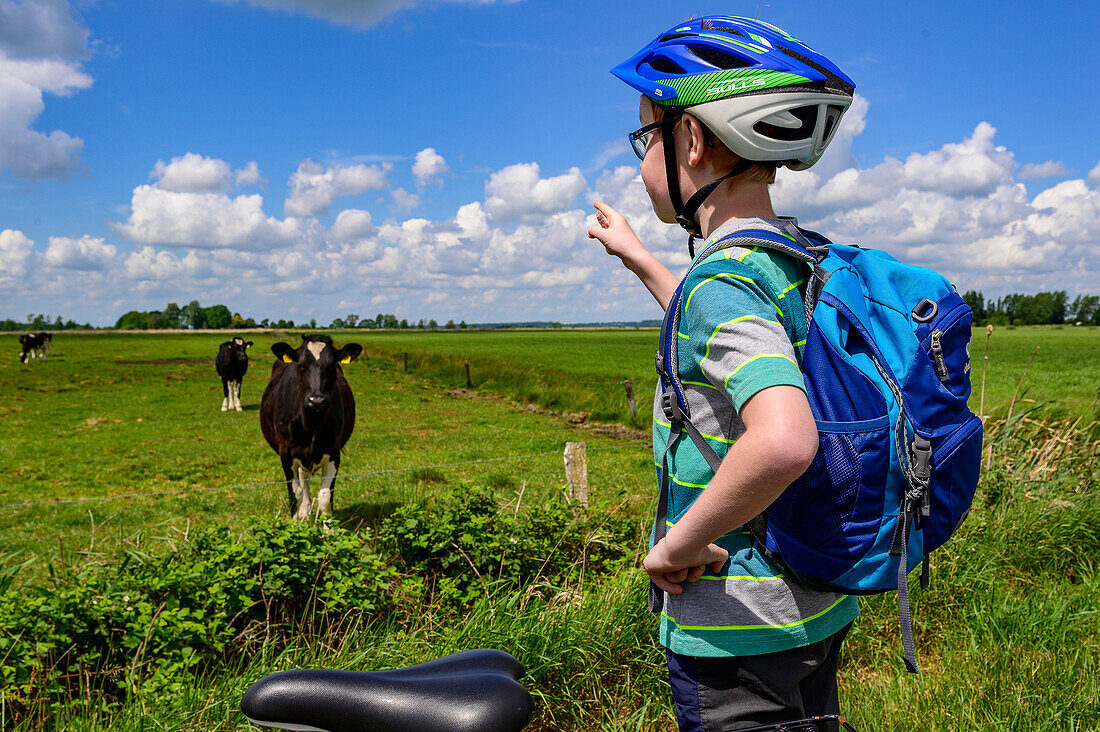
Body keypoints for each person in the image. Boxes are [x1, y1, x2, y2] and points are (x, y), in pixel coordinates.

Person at [588, 16, 860, 731]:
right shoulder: (794, 255)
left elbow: (784, 440)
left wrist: (676, 545)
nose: (642, 158)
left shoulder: (721, 285)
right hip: (815, 597)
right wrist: (644, 260)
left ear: (694, 140)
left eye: (647, 137)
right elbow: (724, 334)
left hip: (737, 621)